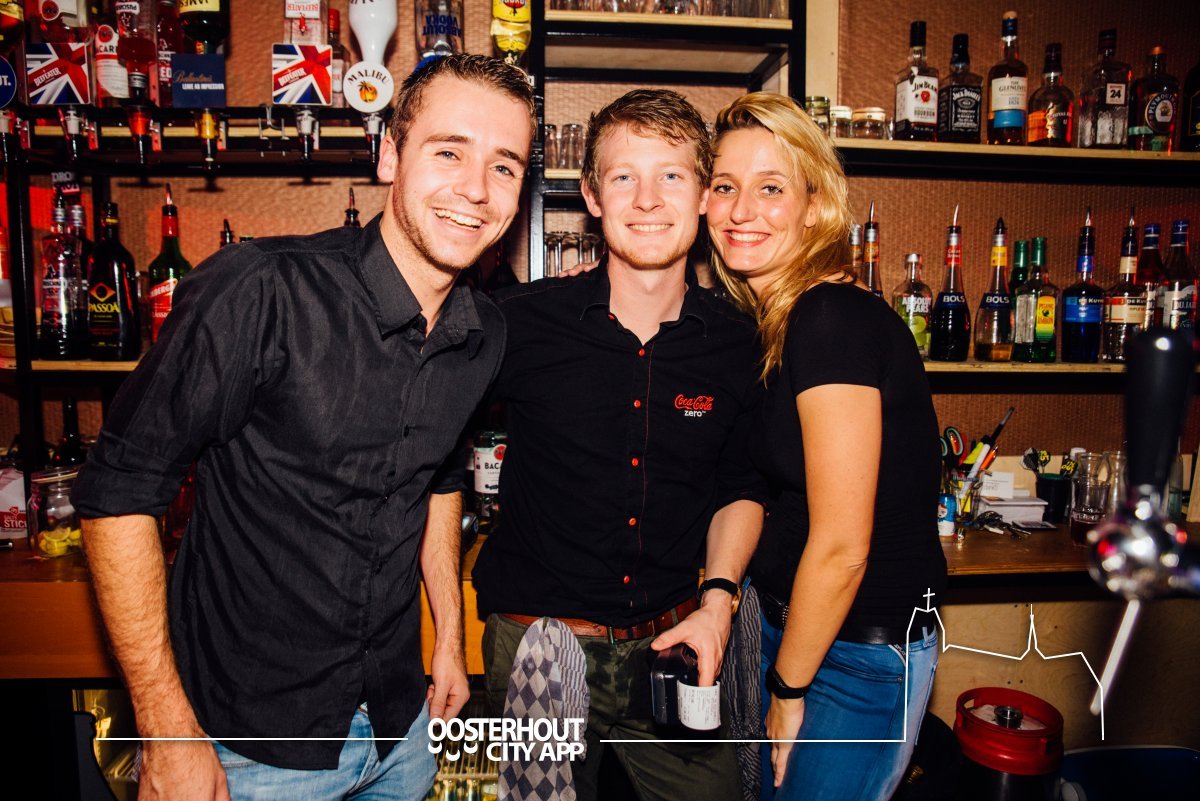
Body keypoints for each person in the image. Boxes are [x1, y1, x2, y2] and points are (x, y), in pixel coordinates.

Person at [71, 54, 536, 801]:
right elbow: (118, 492)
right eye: (449, 152)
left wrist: (449, 636)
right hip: (251, 746)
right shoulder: (259, 290)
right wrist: (165, 727)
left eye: (504, 166)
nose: (476, 189)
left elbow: (440, 478)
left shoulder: (484, 331)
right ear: (390, 155)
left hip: (400, 728)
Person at [472, 88, 767, 801]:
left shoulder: (738, 341)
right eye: (624, 176)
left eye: (672, 175)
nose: (647, 199)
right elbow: (424, 450)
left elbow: (742, 486)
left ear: (704, 195)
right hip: (540, 648)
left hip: (673, 648)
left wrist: (719, 602)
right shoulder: (518, 324)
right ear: (591, 196)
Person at [704, 92, 947, 801]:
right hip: (803, 638)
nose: (741, 210)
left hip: (855, 658)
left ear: (814, 206)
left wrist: (788, 689)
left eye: (770, 188)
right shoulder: (782, 320)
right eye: (725, 186)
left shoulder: (828, 318)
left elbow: (843, 546)